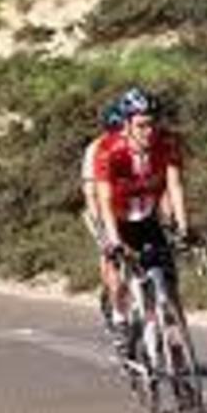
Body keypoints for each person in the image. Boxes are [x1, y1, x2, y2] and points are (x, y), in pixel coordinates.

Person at [93, 86, 195, 348]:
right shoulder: (109, 149)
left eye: (152, 124)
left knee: (167, 278)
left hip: (147, 216)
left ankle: (177, 348)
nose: (148, 132)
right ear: (126, 125)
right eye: (141, 126)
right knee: (116, 270)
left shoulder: (167, 142)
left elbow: (175, 186)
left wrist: (184, 227)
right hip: (117, 218)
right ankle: (119, 318)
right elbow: (103, 200)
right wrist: (114, 240)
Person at [81, 101, 125, 331]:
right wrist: (102, 227)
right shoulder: (96, 149)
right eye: (114, 130)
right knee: (110, 254)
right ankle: (110, 294)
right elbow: (91, 193)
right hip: (101, 206)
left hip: (128, 206)